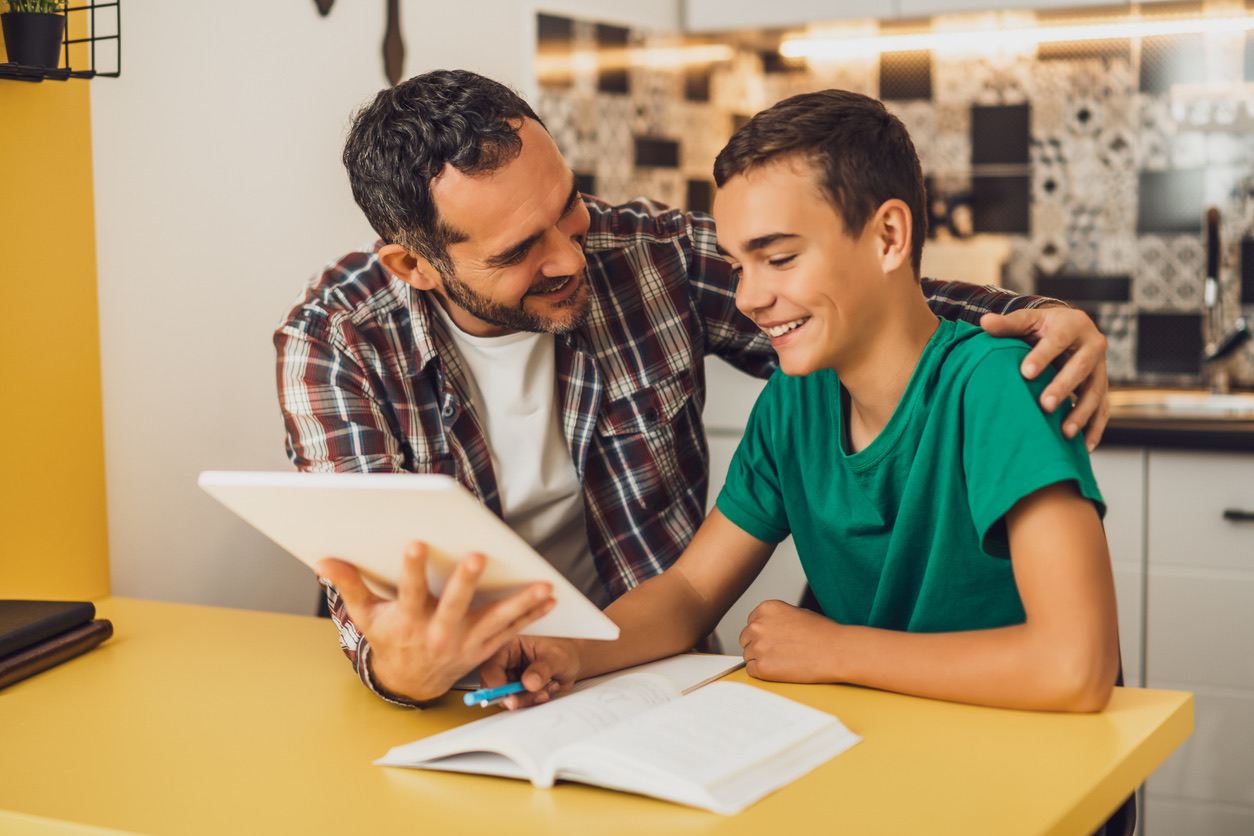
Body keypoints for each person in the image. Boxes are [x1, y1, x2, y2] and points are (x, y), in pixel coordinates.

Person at [275, 70, 1114, 707]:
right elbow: (682, 594)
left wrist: (1035, 315)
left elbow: (1075, 668)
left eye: (571, 209)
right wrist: (548, 652)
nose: (574, 256)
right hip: (552, 688)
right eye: (519, 249)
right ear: (413, 266)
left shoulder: (990, 385)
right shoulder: (336, 343)